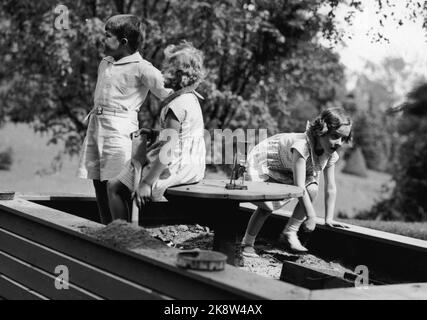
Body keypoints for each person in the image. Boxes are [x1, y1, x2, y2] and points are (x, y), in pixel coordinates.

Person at [77, 14, 171, 224]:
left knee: (116, 184)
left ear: (123, 42)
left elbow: (169, 92)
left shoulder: (142, 67)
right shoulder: (105, 62)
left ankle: (122, 232)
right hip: (97, 128)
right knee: (98, 181)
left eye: (107, 36)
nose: (103, 39)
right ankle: (106, 228)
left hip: (120, 131)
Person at [107, 41, 206, 221]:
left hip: (175, 166)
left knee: (115, 186)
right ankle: (130, 225)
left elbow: (167, 150)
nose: (161, 71)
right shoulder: (190, 99)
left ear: (178, 74)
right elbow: (183, 134)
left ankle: (120, 232)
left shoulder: (176, 106)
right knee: (129, 176)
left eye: (166, 67)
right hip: (193, 165)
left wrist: (147, 183)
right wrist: (155, 134)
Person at [241, 108, 352, 256]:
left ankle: (290, 231)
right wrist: (311, 216)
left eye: (343, 139)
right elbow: (299, 186)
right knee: (267, 207)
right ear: (321, 130)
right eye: (334, 136)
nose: (339, 142)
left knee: (312, 188)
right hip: (268, 162)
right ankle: (247, 243)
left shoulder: (330, 154)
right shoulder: (302, 146)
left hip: (288, 169)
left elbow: (331, 187)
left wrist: (328, 218)